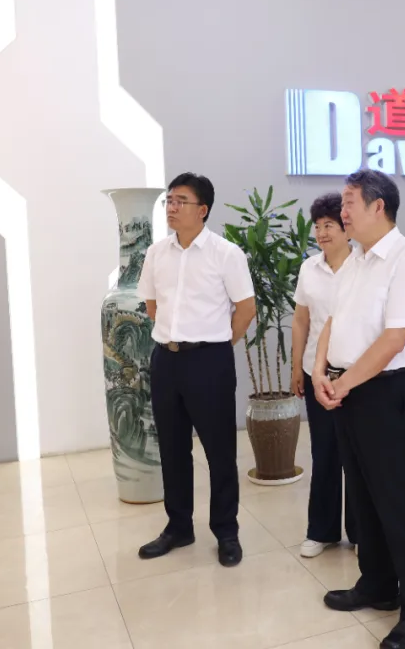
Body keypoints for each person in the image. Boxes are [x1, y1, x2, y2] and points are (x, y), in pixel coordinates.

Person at [313, 169, 405, 649]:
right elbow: (331, 322)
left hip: (387, 391)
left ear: (377, 206)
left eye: (349, 202)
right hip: (349, 390)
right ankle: (378, 584)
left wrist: (342, 383)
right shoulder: (356, 262)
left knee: (400, 500)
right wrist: (321, 372)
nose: (341, 212)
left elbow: (395, 339)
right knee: (363, 495)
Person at [136, 173, 256, 568]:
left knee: (219, 451)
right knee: (172, 448)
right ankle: (178, 527)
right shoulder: (157, 253)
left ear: (202, 210)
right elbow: (151, 305)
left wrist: (217, 344)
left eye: (180, 201)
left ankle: (226, 531)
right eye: (169, 200)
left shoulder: (226, 254)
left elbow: (246, 309)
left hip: (209, 362)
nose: (171, 207)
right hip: (166, 360)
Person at [290, 192, 358, 558]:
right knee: (325, 452)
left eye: (329, 225)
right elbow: (301, 321)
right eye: (317, 226)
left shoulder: (363, 267)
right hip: (316, 375)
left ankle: (361, 533)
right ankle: (322, 531)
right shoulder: (309, 269)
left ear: (347, 228)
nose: (321, 233)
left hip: (356, 375)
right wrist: (296, 368)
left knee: (358, 457)